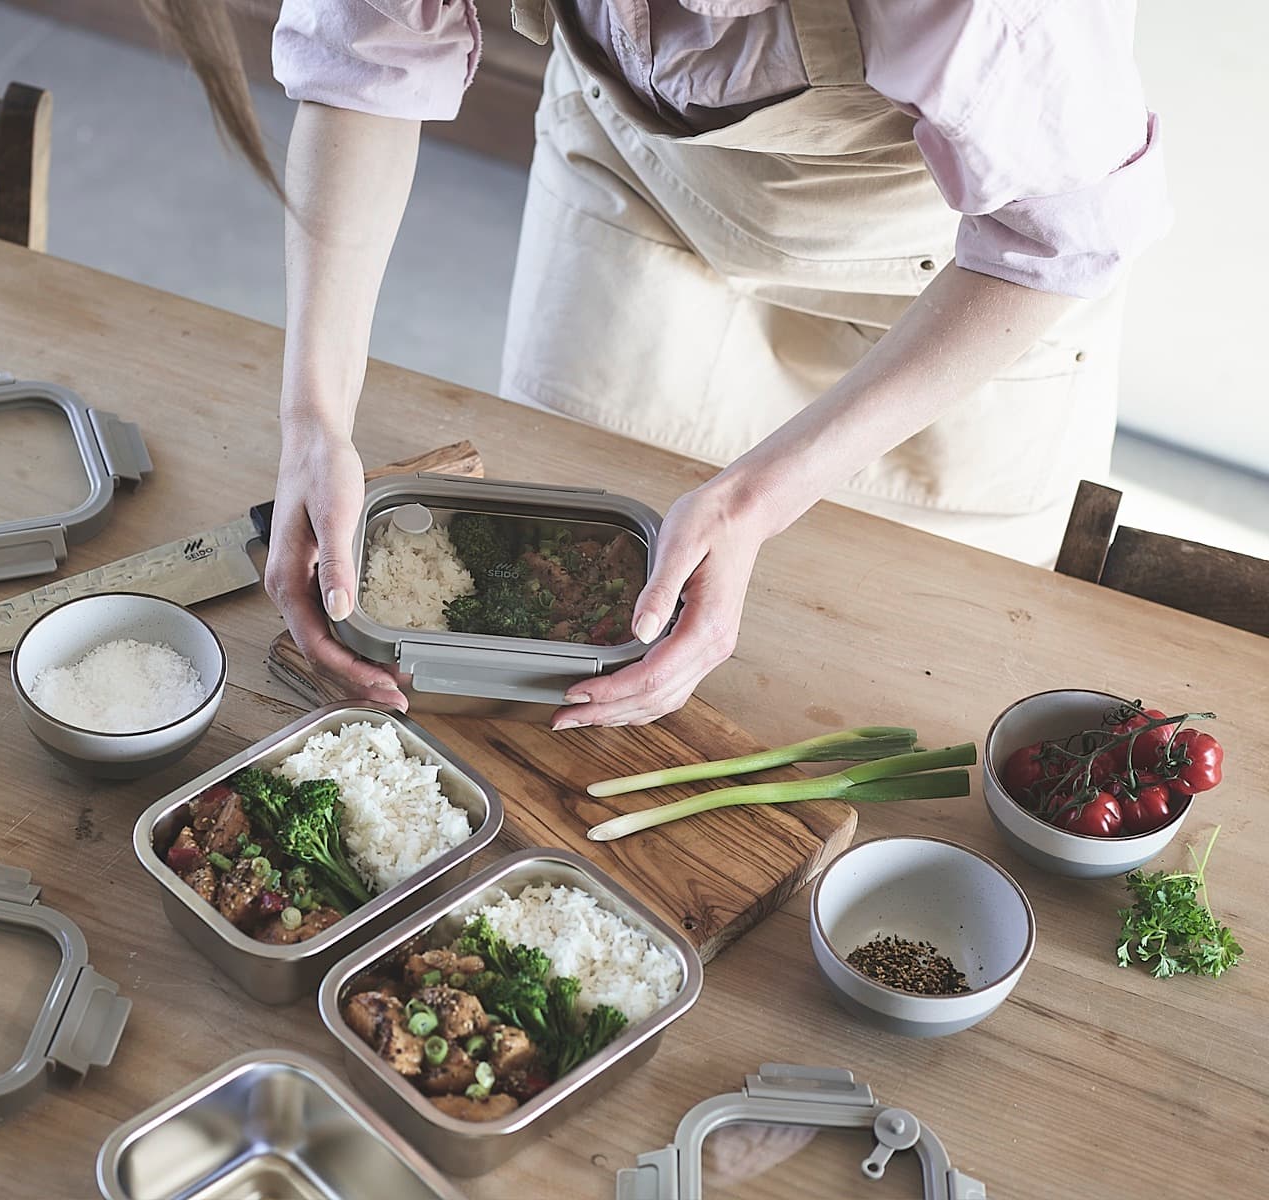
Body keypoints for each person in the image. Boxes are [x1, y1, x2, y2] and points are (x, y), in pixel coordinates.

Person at [143, 1, 1168, 729]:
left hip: (950, 264)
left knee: (880, 661)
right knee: (563, 591)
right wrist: (314, 420)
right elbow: (372, 56)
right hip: (640, 178)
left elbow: (1057, 242)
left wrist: (758, 499)